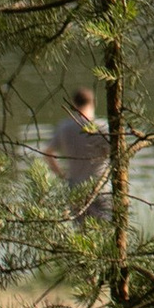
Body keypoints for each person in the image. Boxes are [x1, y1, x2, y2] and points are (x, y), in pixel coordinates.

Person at [44, 81, 111, 223]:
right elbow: (116, 155)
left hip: (75, 189)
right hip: (100, 189)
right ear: (93, 103)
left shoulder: (64, 128)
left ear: (74, 105)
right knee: (106, 233)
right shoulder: (100, 127)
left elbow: (48, 153)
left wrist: (62, 175)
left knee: (81, 237)